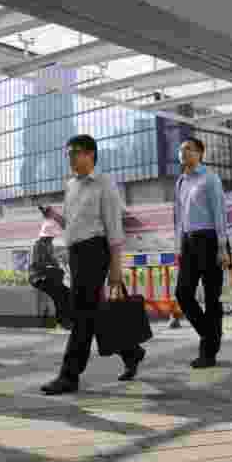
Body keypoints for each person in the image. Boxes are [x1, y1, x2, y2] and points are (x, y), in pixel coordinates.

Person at [40, 134, 146, 395]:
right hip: (76, 253)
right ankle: (131, 352)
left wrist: (116, 268)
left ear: (90, 154)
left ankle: (69, 375)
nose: (70, 158)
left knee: (82, 315)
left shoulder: (104, 185)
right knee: (92, 311)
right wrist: (54, 216)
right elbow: (72, 224)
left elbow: (114, 229)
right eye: (68, 153)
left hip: (95, 251)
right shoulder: (70, 187)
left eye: (75, 152)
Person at [173, 137, 231, 368]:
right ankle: (211, 334)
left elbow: (220, 213)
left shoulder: (210, 178)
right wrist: (178, 246)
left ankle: (208, 352)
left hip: (209, 240)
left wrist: (222, 247)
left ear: (200, 153)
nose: (183, 152)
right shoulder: (180, 181)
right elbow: (179, 218)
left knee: (211, 298)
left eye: (188, 149)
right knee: (182, 293)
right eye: (181, 149)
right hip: (188, 242)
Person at [30, 205, 72, 329]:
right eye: (50, 237)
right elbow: (38, 264)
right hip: (38, 277)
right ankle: (62, 321)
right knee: (59, 293)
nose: (52, 238)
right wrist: (52, 266)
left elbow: (54, 263)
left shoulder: (49, 246)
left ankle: (67, 319)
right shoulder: (38, 245)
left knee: (66, 292)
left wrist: (58, 264)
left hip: (48, 277)